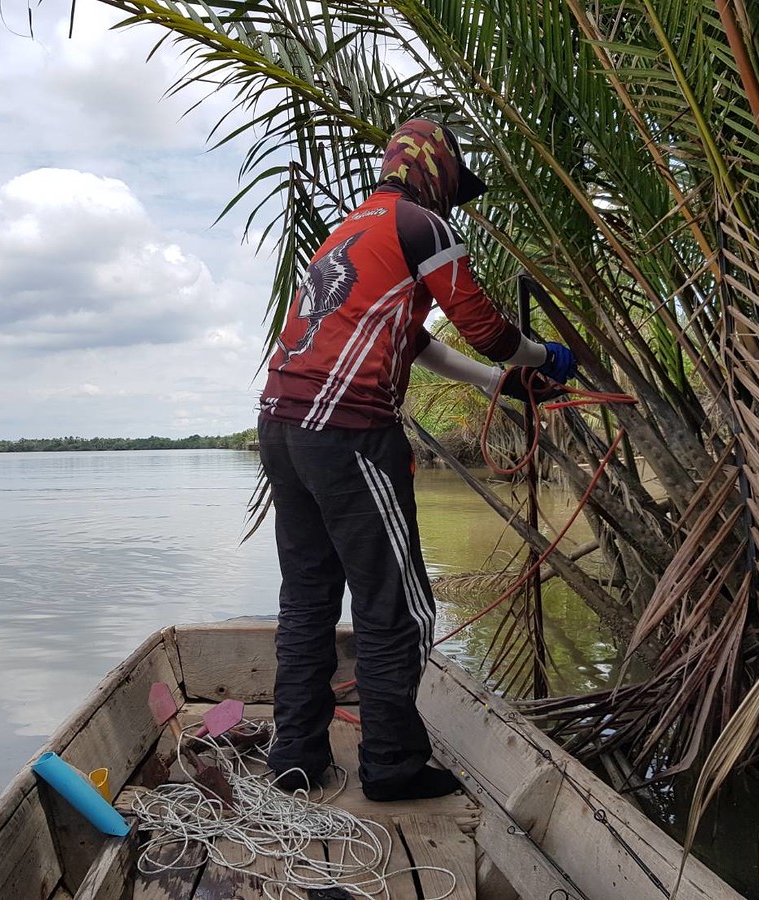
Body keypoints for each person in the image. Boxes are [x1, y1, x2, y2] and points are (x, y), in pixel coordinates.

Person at [256, 118, 577, 802]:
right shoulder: (423, 226)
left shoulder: (351, 229)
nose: (453, 201)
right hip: (347, 429)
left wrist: (499, 384)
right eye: (452, 186)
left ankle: (295, 756)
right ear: (432, 170)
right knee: (396, 608)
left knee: (309, 596)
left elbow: (415, 339)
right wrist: (544, 358)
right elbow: (487, 329)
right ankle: (394, 767)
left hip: (282, 425)